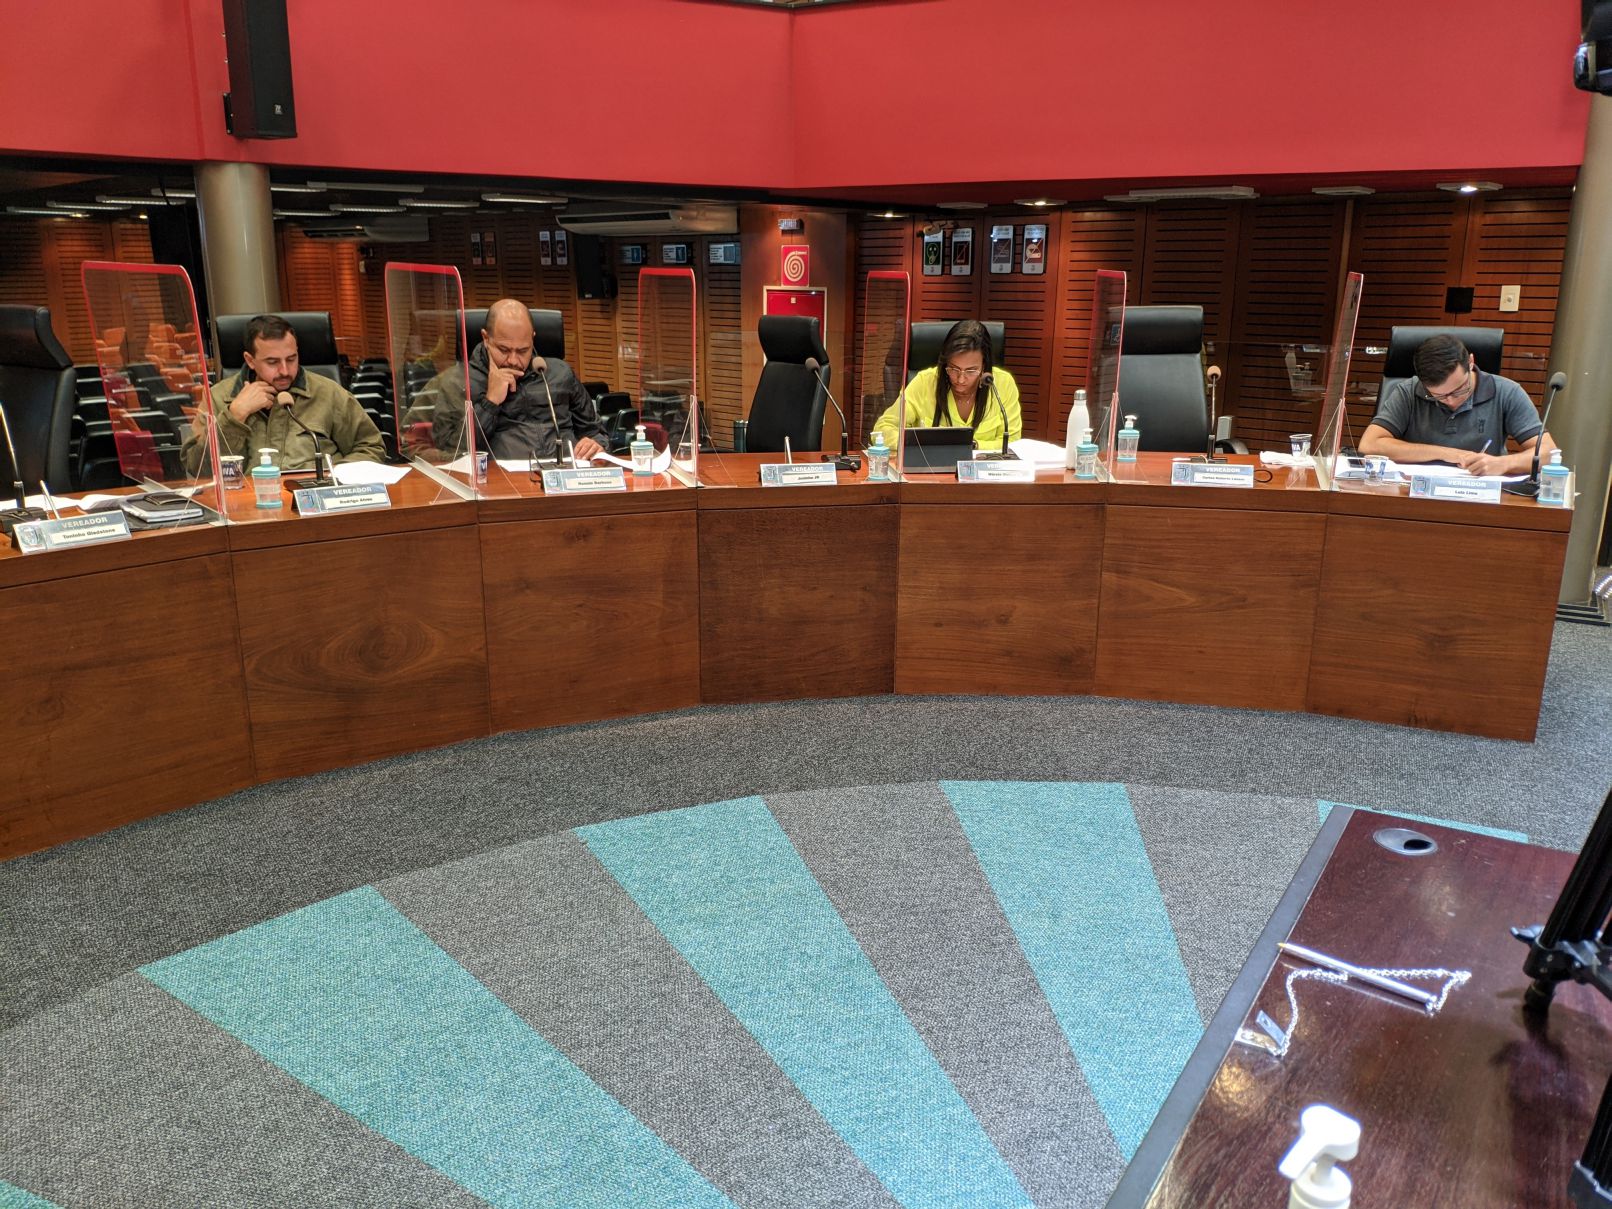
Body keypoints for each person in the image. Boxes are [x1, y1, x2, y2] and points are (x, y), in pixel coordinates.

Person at [187, 314, 385, 472]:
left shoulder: (328, 393)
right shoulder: (217, 397)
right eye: (272, 362)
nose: (284, 370)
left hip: (317, 500)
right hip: (249, 503)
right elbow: (198, 470)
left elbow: (370, 447)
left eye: (291, 359)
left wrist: (335, 477)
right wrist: (235, 415)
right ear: (250, 360)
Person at [431, 299, 606, 462]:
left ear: (532, 338)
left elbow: (596, 432)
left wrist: (596, 444)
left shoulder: (560, 373)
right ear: (485, 338)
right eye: (504, 350)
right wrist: (489, 403)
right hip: (502, 480)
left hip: (565, 474)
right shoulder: (459, 382)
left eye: (523, 351)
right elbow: (450, 451)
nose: (513, 361)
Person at [1360, 334, 1554, 476]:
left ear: (1470, 362)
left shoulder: (1507, 392)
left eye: (1459, 390)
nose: (1451, 401)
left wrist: (1503, 464)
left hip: (1480, 497)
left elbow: (1548, 453)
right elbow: (1370, 445)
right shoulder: (1409, 391)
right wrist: (1447, 454)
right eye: (1438, 396)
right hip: (1415, 494)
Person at [871, 320, 1021, 451]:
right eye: (953, 369)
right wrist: (926, 444)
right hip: (931, 471)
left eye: (971, 371)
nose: (961, 379)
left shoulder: (1002, 383)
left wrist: (972, 445)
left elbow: (1013, 443)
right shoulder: (925, 382)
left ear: (984, 366)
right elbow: (882, 430)